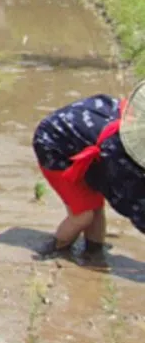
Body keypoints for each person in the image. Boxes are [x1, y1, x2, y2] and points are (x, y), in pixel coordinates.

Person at [32, 83, 145, 257]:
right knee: (83, 215)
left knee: (96, 207)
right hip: (54, 147)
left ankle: (94, 253)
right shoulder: (118, 149)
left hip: (83, 141)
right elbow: (128, 199)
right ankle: (55, 251)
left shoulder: (132, 120)